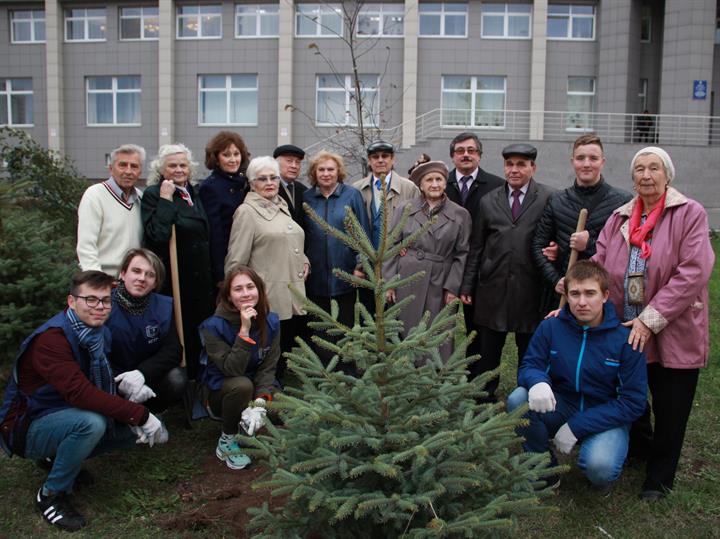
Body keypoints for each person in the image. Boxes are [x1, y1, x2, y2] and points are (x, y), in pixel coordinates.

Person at [590, 146, 714, 500]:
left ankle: (659, 478)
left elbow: (693, 271)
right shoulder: (620, 218)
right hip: (625, 326)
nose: (646, 175)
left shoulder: (688, 213)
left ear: (667, 175)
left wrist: (650, 319)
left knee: (670, 402)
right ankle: (640, 450)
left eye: (654, 168)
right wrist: (576, 285)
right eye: (639, 169)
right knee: (631, 394)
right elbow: (600, 260)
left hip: (671, 326)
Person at [0, 271, 168, 532]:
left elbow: (96, 376)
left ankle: (56, 457)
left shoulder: (96, 332)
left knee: (128, 434)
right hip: (26, 426)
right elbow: (80, 393)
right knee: (91, 424)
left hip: (59, 411)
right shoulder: (52, 340)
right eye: (90, 300)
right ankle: (50, 495)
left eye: (105, 300)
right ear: (71, 301)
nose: (100, 307)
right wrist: (140, 414)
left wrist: (123, 387)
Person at [507, 261, 647, 495]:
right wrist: (537, 381)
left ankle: (602, 468)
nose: (582, 302)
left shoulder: (625, 340)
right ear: (567, 295)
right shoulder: (551, 327)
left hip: (606, 413)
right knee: (518, 399)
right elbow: (531, 364)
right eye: (575, 294)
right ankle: (544, 469)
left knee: (600, 466)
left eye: (590, 293)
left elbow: (633, 403)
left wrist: (577, 427)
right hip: (563, 404)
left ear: (605, 296)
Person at [460, 143, 553, 402]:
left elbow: (553, 237)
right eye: (510, 164)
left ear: (532, 168)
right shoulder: (489, 200)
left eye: (521, 165)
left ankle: (527, 401)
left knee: (530, 352)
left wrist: (556, 249)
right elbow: (477, 246)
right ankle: (482, 401)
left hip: (530, 290)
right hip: (493, 290)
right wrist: (467, 286)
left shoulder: (547, 198)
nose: (514, 170)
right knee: (488, 353)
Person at [224, 156, 309, 381]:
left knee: (285, 351)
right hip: (269, 295)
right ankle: (264, 400)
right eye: (263, 179)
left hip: (293, 290)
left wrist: (305, 259)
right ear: (252, 183)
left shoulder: (280, 206)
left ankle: (278, 396)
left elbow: (287, 239)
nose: (270, 182)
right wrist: (237, 297)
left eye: (274, 177)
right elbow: (236, 260)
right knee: (270, 357)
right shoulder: (247, 212)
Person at [141, 143, 215, 380]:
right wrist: (165, 199)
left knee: (200, 328)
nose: (179, 170)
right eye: (172, 165)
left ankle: (200, 377)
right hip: (176, 278)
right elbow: (158, 235)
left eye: (183, 165)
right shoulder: (154, 194)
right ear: (162, 169)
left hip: (200, 278)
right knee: (180, 332)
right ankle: (183, 379)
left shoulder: (193, 193)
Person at [532, 134, 631, 310]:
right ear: (573, 162)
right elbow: (538, 245)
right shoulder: (557, 200)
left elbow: (626, 252)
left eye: (593, 158)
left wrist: (590, 245)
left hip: (603, 297)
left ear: (603, 162)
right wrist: (556, 280)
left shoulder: (622, 202)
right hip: (563, 296)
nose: (586, 164)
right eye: (580, 158)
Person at [384, 161, 471, 361]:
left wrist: (452, 288)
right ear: (421, 185)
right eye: (429, 180)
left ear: (445, 183)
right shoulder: (405, 209)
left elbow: (462, 253)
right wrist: (390, 282)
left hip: (440, 279)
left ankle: (434, 380)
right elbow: (391, 244)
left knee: (438, 331)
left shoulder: (460, 214)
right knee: (405, 326)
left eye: (438, 179)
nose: (434, 184)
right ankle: (404, 375)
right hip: (407, 277)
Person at [198, 266, 280, 470]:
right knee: (242, 385)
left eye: (250, 287)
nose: (245, 294)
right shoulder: (212, 327)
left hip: (255, 387)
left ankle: (249, 430)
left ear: (259, 290)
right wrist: (244, 330)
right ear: (228, 295)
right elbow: (231, 369)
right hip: (224, 391)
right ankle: (227, 439)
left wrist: (260, 401)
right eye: (238, 289)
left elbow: (268, 367)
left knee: (287, 408)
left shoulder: (271, 321)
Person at [303, 150, 370, 366]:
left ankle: (347, 369)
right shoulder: (306, 199)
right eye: (321, 169)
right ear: (314, 173)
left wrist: (360, 265)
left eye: (330, 169)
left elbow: (363, 234)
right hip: (315, 277)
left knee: (346, 325)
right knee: (320, 326)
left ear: (338, 171)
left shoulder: (351, 196)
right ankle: (324, 372)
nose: (326, 173)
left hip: (346, 274)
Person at [445, 133, 504, 364]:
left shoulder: (497, 186)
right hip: (446, 269)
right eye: (460, 151)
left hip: (482, 270)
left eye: (471, 150)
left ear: (479, 155)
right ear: (452, 156)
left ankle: (474, 377)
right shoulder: (440, 184)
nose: (466, 154)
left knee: (477, 328)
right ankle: (439, 374)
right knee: (441, 326)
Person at [106, 248, 187, 412]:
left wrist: (142, 373)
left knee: (177, 378)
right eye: (136, 271)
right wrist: (123, 382)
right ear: (122, 273)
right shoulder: (104, 305)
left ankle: (154, 412)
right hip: (114, 378)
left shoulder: (163, 307)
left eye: (150, 275)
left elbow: (173, 350)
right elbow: (94, 352)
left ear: (155, 283)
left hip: (149, 376)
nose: (142, 278)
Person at [76, 144, 146, 276]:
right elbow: (86, 246)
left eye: (134, 166)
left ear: (140, 172)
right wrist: (96, 280)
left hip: (133, 282)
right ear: (111, 169)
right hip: (103, 281)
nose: (128, 171)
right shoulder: (95, 195)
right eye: (123, 165)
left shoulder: (140, 198)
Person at [198, 131, 251, 287]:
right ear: (216, 158)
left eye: (236, 154)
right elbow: (215, 234)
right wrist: (220, 274)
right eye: (226, 155)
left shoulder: (245, 181)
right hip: (228, 257)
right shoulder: (210, 187)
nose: (233, 160)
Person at [351, 140, 418, 248]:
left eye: (385, 156)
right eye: (375, 157)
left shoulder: (409, 188)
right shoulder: (356, 189)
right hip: (366, 257)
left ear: (392, 159)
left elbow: (418, 223)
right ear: (369, 160)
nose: (380, 160)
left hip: (397, 256)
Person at [274, 144, 308, 226]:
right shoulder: (269, 188)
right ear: (276, 163)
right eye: (289, 161)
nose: (294, 166)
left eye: (298, 162)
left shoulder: (303, 190)